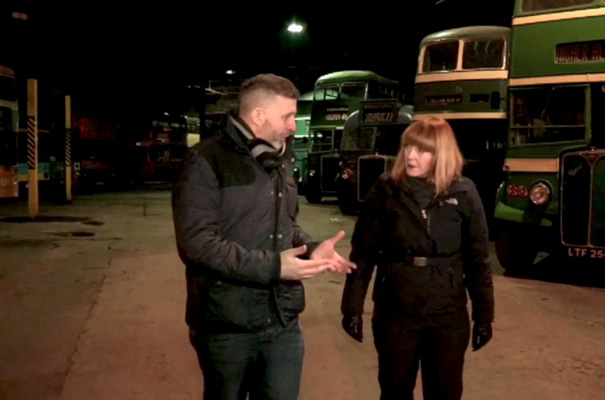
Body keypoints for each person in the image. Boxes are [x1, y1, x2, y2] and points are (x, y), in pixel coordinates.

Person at [172, 73, 355, 400]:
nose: (292, 126)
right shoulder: (206, 161)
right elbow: (197, 243)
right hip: (226, 325)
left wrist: (311, 248)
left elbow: (285, 223)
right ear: (258, 115)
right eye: (287, 116)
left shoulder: (280, 159)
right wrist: (274, 267)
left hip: (282, 320)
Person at [341, 117, 494, 400]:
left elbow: (478, 260)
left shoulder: (464, 193)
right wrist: (352, 306)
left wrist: (485, 316)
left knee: (445, 391)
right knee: (395, 389)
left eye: (422, 149)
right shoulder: (386, 189)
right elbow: (363, 253)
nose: (411, 155)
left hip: (447, 313)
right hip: (397, 310)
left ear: (441, 153)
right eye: (408, 146)